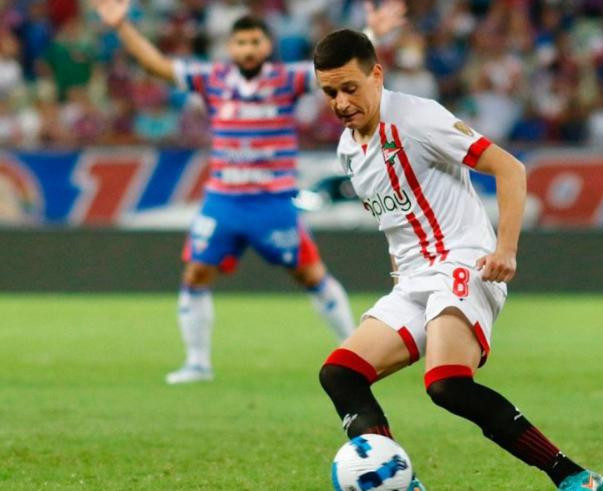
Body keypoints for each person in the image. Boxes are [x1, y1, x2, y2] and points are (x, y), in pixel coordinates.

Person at [313, 29, 603, 490]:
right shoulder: (349, 150)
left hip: (465, 263)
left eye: (349, 88)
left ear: (376, 74)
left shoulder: (416, 118)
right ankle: (400, 482)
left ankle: (573, 477)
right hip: (413, 280)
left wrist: (506, 248)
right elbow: (397, 216)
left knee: (447, 384)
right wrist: (399, 262)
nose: (340, 102)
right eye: (330, 92)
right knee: (340, 373)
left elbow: (509, 167)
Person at [92, 0, 406, 385]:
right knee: (195, 274)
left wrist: (371, 34)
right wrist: (122, 25)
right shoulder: (213, 79)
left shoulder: (286, 79)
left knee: (311, 274)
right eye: (241, 42)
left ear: (267, 45)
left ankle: (355, 350)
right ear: (230, 47)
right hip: (223, 201)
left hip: (271, 203)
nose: (248, 49)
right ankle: (197, 363)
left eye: (255, 41)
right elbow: (158, 66)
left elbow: (339, 71)